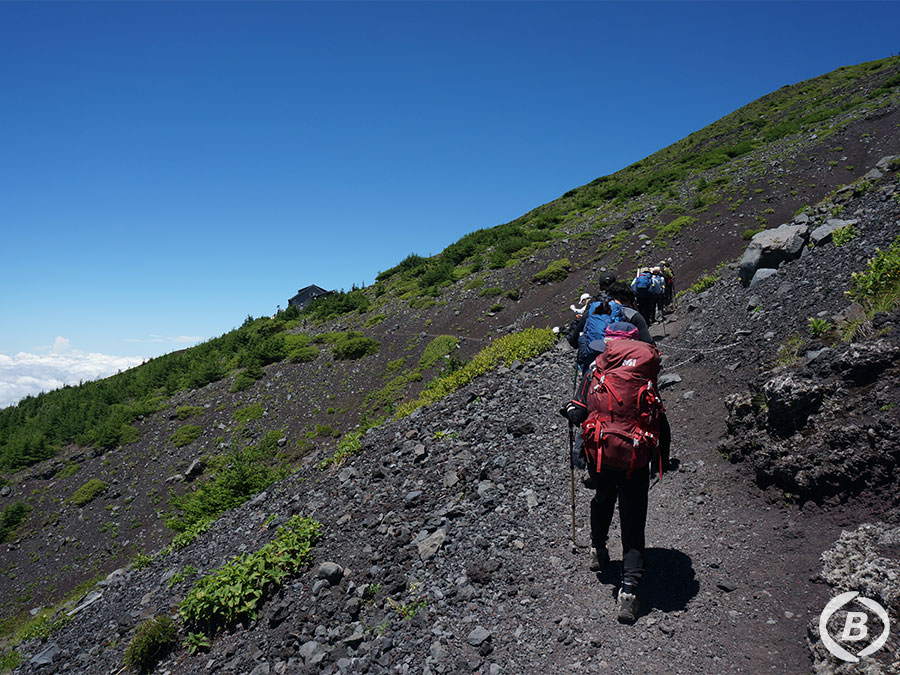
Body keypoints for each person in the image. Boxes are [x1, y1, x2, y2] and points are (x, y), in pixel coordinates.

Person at [561, 321, 670, 624]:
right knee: (633, 519)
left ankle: (598, 550)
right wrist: (663, 458)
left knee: (602, 497)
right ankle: (629, 593)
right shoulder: (644, 372)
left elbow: (579, 408)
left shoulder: (597, 368)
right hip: (635, 456)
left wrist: (570, 411)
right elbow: (658, 415)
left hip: (601, 455)